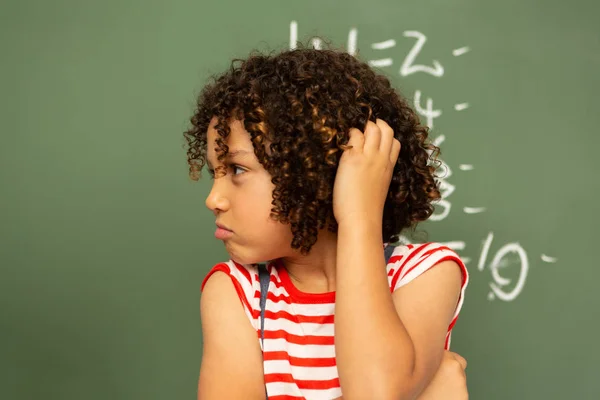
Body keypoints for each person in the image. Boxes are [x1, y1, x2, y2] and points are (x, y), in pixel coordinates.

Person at [184, 44, 469, 400]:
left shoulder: (426, 273)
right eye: (216, 172)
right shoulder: (236, 291)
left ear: (313, 175)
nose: (214, 199)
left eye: (238, 170)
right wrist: (438, 388)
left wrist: (358, 216)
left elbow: (377, 391)